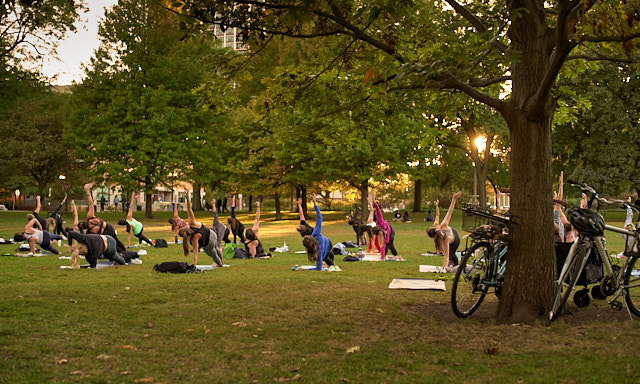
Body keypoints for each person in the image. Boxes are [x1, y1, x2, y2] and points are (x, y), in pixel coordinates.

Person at [178, 190, 223, 267]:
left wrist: (193, 266)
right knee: (217, 248)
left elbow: (195, 254)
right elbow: (189, 210)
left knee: (214, 254)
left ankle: (220, 264)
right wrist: (187, 198)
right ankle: (222, 261)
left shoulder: (194, 239)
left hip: (208, 244)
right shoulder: (192, 223)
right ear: (186, 228)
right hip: (212, 234)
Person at [79, 184, 126, 253]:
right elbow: (91, 203)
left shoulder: (90, 232)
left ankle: (123, 254)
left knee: (114, 243)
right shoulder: (90, 218)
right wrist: (87, 192)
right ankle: (123, 253)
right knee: (116, 242)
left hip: (106, 230)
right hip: (107, 227)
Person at [299, 195, 340, 271]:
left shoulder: (319, 251)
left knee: (325, 258)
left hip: (328, 244)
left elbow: (318, 268)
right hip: (325, 242)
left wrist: (306, 269)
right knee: (324, 258)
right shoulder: (315, 233)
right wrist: (315, 203)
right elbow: (319, 218)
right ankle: (330, 261)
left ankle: (331, 262)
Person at [427, 192, 462, 272]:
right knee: (444, 251)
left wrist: (454, 199)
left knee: (451, 254)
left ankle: (457, 266)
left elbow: (450, 212)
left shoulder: (443, 226)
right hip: (448, 237)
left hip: (455, 238)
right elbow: (445, 256)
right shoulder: (440, 236)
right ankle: (452, 264)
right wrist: (444, 268)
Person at [370, 195, 400, 260]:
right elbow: (383, 246)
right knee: (386, 245)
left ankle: (395, 254)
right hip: (386, 233)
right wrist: (382, 258)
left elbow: (379, 212)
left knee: (390, 245)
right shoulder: (380, 233)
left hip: (391, 231)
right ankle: (384, 256)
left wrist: (375, 203)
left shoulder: (379, 222)